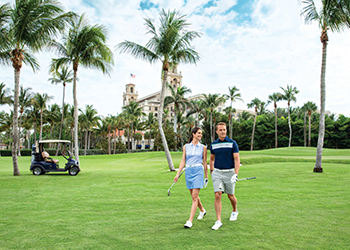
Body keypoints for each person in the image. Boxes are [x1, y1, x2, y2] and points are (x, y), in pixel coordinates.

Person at [174, 127, 208, 228]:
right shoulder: (186, 147)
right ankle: (202, 210)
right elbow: (183, 161)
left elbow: (205, 162)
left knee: (194, 197)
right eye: (198, 133)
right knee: (194, 196)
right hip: (188, 172)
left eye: (201, 133)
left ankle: (190, 220)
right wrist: (177, 174)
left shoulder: (203, 147)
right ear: (193, 134)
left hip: (198, 171)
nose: (200, 135)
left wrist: (206, 176)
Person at [209, 122, 240, 230]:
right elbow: (212, 159)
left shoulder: (232, 143)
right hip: (217, 172)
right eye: (220, 130)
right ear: (217, 131)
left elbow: (236, 159)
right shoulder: (213, 144)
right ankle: (218, 221)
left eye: (224, 129)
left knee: (230, 195)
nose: (223, 131)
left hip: (230, 172)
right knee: (218, 195)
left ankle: (235, 210)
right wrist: (212, 171)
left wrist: (236, 174)